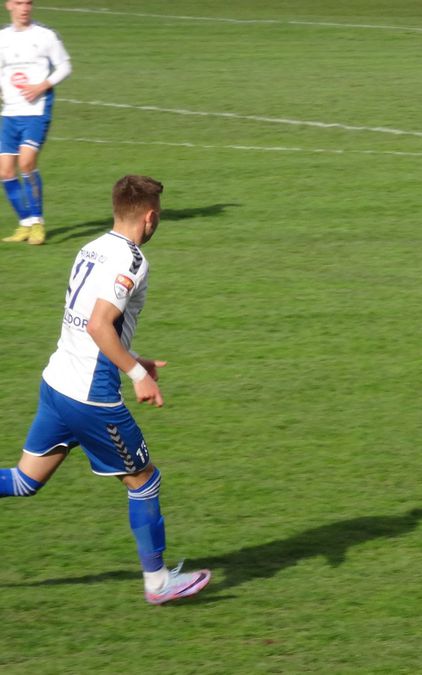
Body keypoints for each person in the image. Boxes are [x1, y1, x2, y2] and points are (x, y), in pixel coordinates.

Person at [0, 175, 212, 605]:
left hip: (57, 381)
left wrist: (133, 356)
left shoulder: (91, 247)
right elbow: (99, 325)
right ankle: (158, 584)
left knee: (24, 481)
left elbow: (88, 323)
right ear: (150, 217)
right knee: (144, 480)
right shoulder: (131, 260)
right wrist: (137, 374)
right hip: (91, 398)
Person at [0, 0, 71, 246]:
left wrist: (41, 86)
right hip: (10, 112)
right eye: (19, 2)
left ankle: (38, 222)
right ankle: (25, 223)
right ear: (9, 5)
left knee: (26, 163)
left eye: (29, 2)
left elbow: (64, 66)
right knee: (5, 170)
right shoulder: (2, 38)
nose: (25, 7)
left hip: (36, 111)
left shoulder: (45, 36)